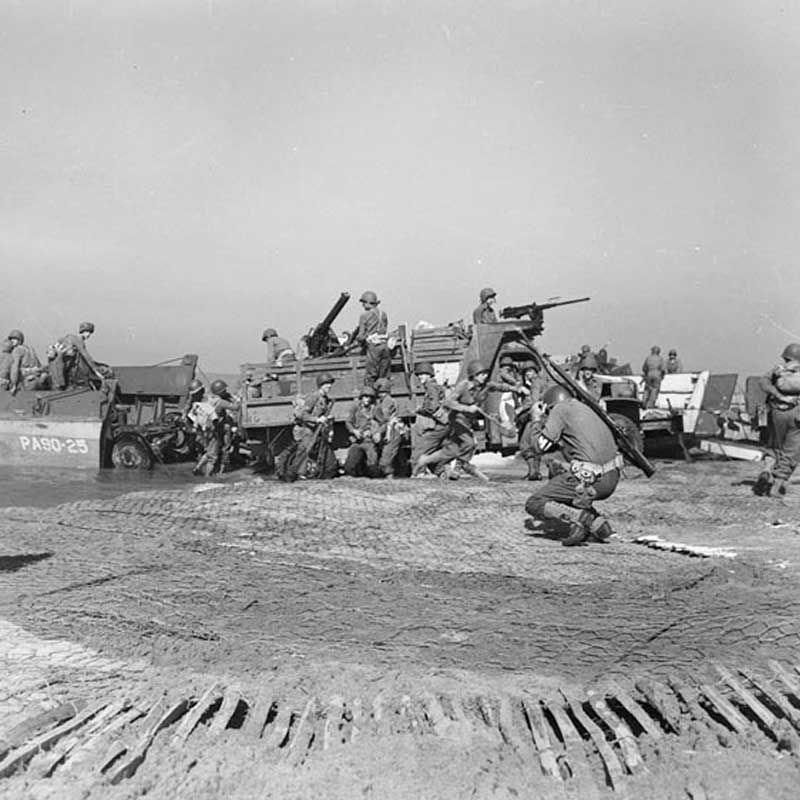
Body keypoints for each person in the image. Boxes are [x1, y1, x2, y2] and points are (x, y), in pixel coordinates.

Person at [524, 384, 623, 546]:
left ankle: (580, 519)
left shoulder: (560, 410)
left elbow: (539, 447)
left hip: (591, 479)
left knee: (535, 502)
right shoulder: (586, 408)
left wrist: (535, 419)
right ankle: (599, 526)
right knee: (557, 473)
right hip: (611, 476)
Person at [412, 359, 526, 481]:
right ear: (474, 375)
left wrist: (517, 389)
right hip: (457, 419)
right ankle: (459, 467)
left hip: (468, 421)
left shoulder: (486, 386)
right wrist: (467, 408)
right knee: (469, 443)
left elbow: (500, 387)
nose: (485, 376)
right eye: (482, 374)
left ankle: (429, 460)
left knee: (456, 447)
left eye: (485, 374)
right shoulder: (463, 386)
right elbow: (448, 402)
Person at [753, 343, 800, 496]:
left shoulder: (778, 370)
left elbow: (763, 383)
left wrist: (779, 396)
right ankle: (777, 486)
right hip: (796, 415)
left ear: (786, 356)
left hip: (776, 413)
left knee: (773, 446)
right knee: (791, 451)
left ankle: (766, 471)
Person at [282, 372, 338, 481]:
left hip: (318, 431)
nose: (329, 386)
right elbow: (302, 414)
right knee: (303, 454)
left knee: (324, 455)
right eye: (326, 384)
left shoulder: (325, 399)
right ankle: (292, 476)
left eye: (330, 384)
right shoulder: (313, 397)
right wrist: (317, 419)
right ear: (321, 385)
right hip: (308, 430)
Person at [410, 361, 449, 476]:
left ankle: (419, 473)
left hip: (437, 424)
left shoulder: (430, 386)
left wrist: (421, 410)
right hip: (441, 424)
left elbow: (433, 406)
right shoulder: (435, 386)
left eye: (423, 374)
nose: (420, 377)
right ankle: (441, 472)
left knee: (420, 449)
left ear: (429, 375)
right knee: (432, 449)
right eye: (419, 375)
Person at [49, 322, 103, 389]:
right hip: (60, 366)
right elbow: (86, 356)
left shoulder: (68, 338)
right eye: (87, 332)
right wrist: (96, 371)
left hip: (57, 367)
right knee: (60, 387)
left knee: (60, 386)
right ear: (82, 332)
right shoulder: (78, 340)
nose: (89, 335)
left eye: (90, 333)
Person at [517, 362, 548, 481]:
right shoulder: (538, 382)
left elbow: (534, 401)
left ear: (535, 371)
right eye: (527, 372)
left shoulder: (535, 383)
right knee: (533, 444)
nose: (528, 374)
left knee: (526, 444)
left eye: (530, 371)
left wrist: (520, 409)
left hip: (534, 417)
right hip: (538, 416)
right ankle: (534, 472)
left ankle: (534, 472)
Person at [373, 377, 407, 478]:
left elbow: (386, 420)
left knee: (385, 461)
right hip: (391, 429)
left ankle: (390, 479)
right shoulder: (385, 401)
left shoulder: (386, 402)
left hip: (391, 430)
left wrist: (380, 431)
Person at [355, 291, 390, 387]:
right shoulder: (383, 314)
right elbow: (384, 329)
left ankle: (370, 395)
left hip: (373, 348)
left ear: (367, 303)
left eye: (363, 303)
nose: (362, 305)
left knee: (371, 376)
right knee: (384, 375)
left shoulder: (364, 316)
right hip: (385, 346)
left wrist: (358, 340)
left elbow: (361, 336)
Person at [344, 386, 380, 477]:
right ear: (361, 397)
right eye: (365, 397)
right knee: (350, 466)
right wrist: (354, 431)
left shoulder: (374, 409)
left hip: (369, 442)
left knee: (373, 468)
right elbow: (348, 422)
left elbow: (383, 423)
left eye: (370, 397)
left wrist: (376, 432)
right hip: (357, 441)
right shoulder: (355, 408)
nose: (367, 399)